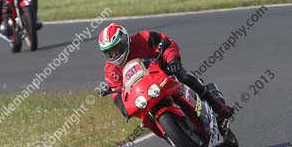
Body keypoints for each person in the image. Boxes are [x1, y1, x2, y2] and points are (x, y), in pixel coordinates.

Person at [97, 23, 236, 125]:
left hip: (164, 72)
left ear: (124, 40)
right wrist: (123, 107)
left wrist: (173, 60)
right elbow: (116, 92)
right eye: (110, 51)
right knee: (146, 120)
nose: (115, 54)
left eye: (116, 48)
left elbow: (166, 42)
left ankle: (218, 106)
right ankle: (174, 139)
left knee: (184, 77)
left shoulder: (143, 39)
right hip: (143, 92)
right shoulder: (110, 70)